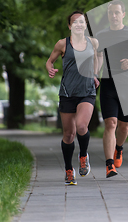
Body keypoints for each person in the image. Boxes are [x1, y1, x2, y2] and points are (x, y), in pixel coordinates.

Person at [95, 0, 128, 178]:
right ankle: (109, 165)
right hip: (108, 83)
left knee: (124, 126)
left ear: (123, 14)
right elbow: (99, 56)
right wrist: (95, 74)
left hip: (127, 84)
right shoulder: (101, 35)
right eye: (111, 13)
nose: (114, 16)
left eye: (117, 12)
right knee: (111, 123)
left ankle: (119, 148)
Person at [46, 11, 99, 185]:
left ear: (85, 25)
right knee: (69, 135)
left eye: (81, 22)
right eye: (74, 22)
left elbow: (97, 57)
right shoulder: (62, 44)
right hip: (67, 93)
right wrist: (50, 68)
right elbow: (49, 61)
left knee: (82, 126)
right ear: (69, 26)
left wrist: (95, 74)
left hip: (87, 91)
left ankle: (83, 155)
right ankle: (69, 170)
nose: (78, 24)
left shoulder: (93, 42)